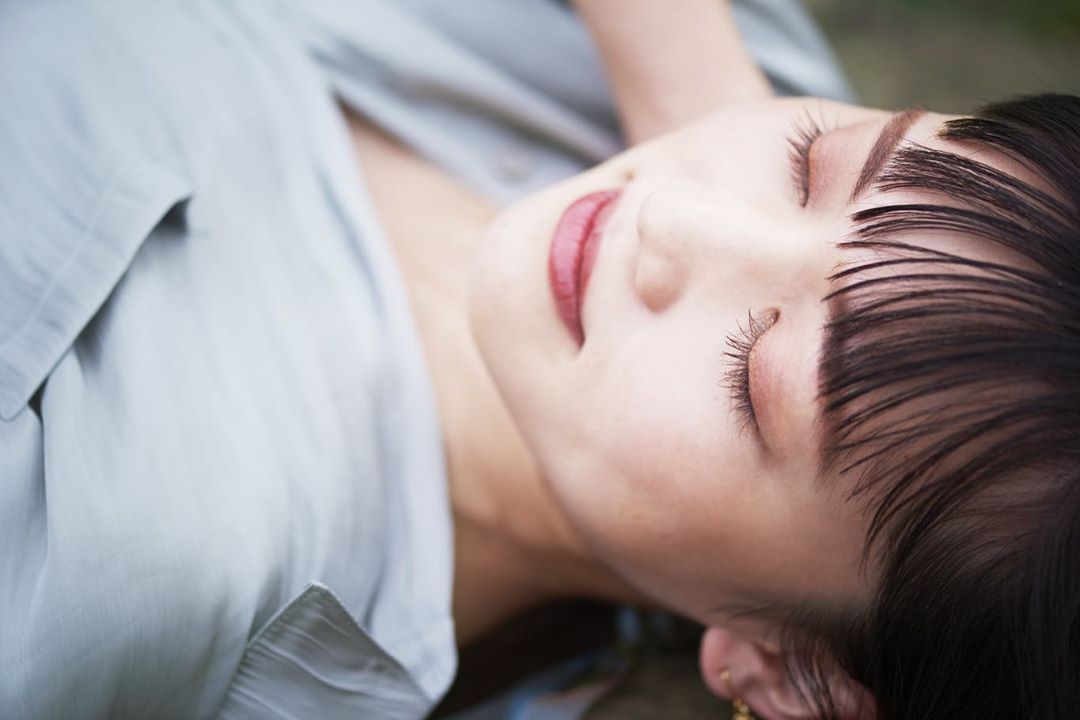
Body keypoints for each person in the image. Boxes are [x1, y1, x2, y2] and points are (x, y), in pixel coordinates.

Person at [1, 3, 1076, 720]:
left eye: (754, 377)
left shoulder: (117, 565)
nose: (677, 220)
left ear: (793, 667)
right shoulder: (729, 77)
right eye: (824, 165)